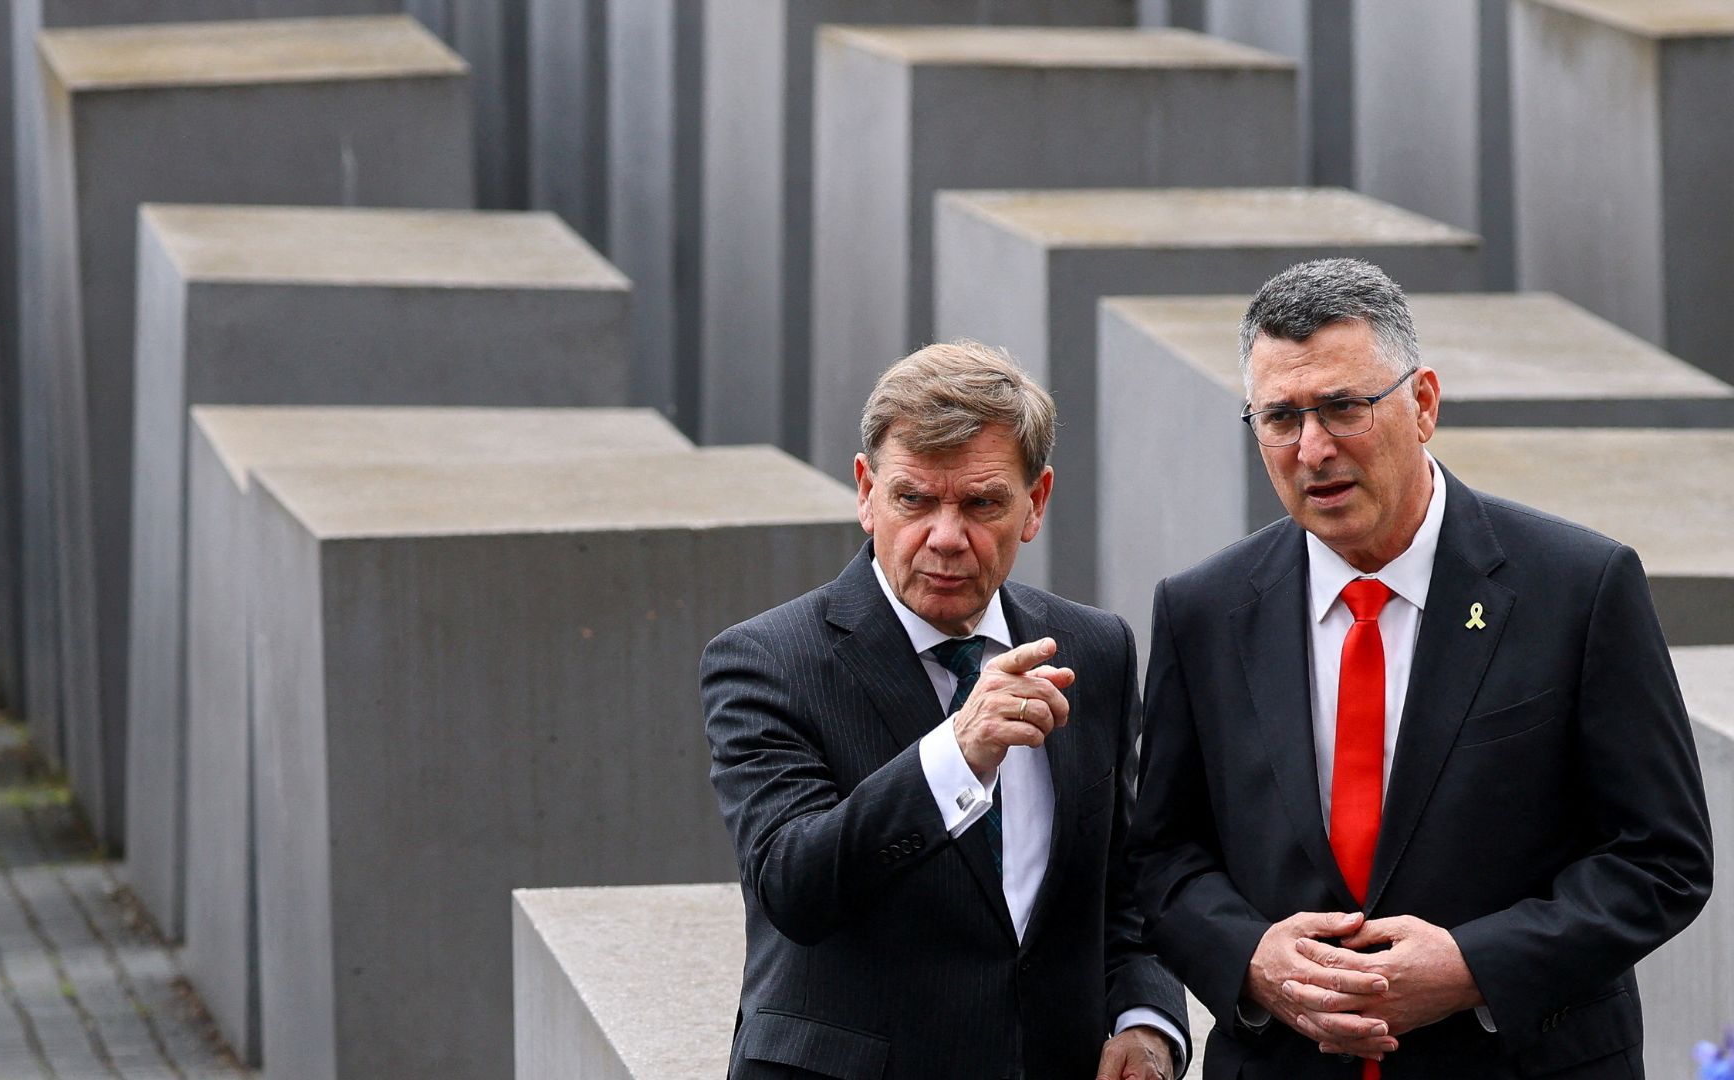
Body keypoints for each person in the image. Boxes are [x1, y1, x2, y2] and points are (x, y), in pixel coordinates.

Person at [1129, 258, 1713, 1079]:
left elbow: (1662, 858)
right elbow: (1162, 857)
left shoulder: (1577, 588)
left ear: (1425, 403)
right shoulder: (1202, 610)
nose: (1313, 448)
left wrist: (1472, 966)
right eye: (1280, 417)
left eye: (1344, 407)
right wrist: (1255, 958)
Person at [704, 341, 1191, 1079]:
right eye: (914, 499)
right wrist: (956, 753)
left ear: (1036, 503)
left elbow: (1123, 889)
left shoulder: (1095, 650)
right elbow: (794, 887)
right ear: (867, 493)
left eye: (982, 503)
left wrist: (1147, 1021)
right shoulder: (767, 659)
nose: (945, 537)